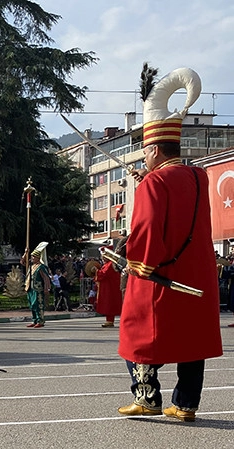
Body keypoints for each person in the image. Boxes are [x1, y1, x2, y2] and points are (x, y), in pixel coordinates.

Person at [116, 66, 222, 422]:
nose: (144, 157)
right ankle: (186, 404)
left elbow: (146, 228)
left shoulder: (153, 183)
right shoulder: (198, 176)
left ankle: (147, 398)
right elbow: (177, 208)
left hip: (160, 272)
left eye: (146, 151)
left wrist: (137, 261)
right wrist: (150, 179)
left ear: (156, 149)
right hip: (195, 273)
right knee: (191, 338)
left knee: (137, 332)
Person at [21, 242, 50, 328]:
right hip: (30, 287)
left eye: (33, 257)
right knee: (32, 305)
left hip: (38, 289)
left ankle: (40, 320)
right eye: (31, 256)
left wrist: (46, 288)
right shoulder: (31, 265)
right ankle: (34, 320)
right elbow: (22, 262)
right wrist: (25, 253)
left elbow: (46, 278)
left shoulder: (41, 267)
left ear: (38, 258)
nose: (32, 258)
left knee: (38, 305)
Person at [93, 248, 122, 327]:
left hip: (111, 289)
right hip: (108, 288)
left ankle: (111, 321)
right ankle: (109, 321)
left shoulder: (110, 264)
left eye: (104, 256)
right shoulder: (107, 264)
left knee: (110, 304)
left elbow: (103, 274)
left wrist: (96, 271)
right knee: (109, 305)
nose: (102, 258)